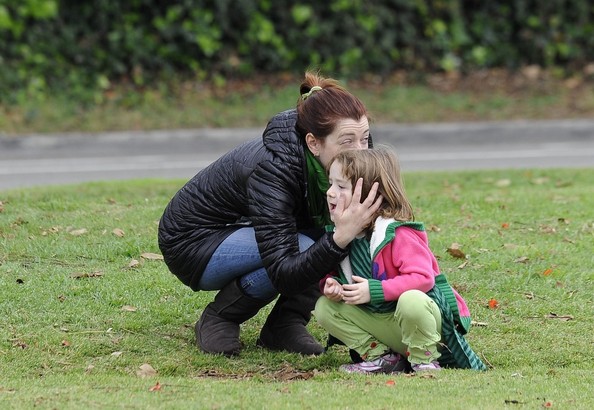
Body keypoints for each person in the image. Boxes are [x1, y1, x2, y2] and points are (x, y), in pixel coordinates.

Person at [158, 71, 382, 356]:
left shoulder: (354, 155)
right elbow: (285, 271)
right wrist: (340, 238)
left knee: (334, 233)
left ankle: (284, 325)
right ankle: (222, 316)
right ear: (313, 143)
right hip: (194, 242)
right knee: (312, 246)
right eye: (348, 141)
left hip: (252, 230)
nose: (361, 151)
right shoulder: (273, 168)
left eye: (365, 138)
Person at [314, 147, 487, 373]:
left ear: (370, 196)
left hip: (418, 324)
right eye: (331, 183)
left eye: (341, 186)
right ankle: (382, 358)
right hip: (381, 323)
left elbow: (423, 278)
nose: (330, 192)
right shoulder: (341, 235)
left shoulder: (398, 233)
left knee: (412, 300)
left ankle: (423, 360)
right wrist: (331, 286)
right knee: (324, 307)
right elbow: (335, 275)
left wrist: (374, 291)